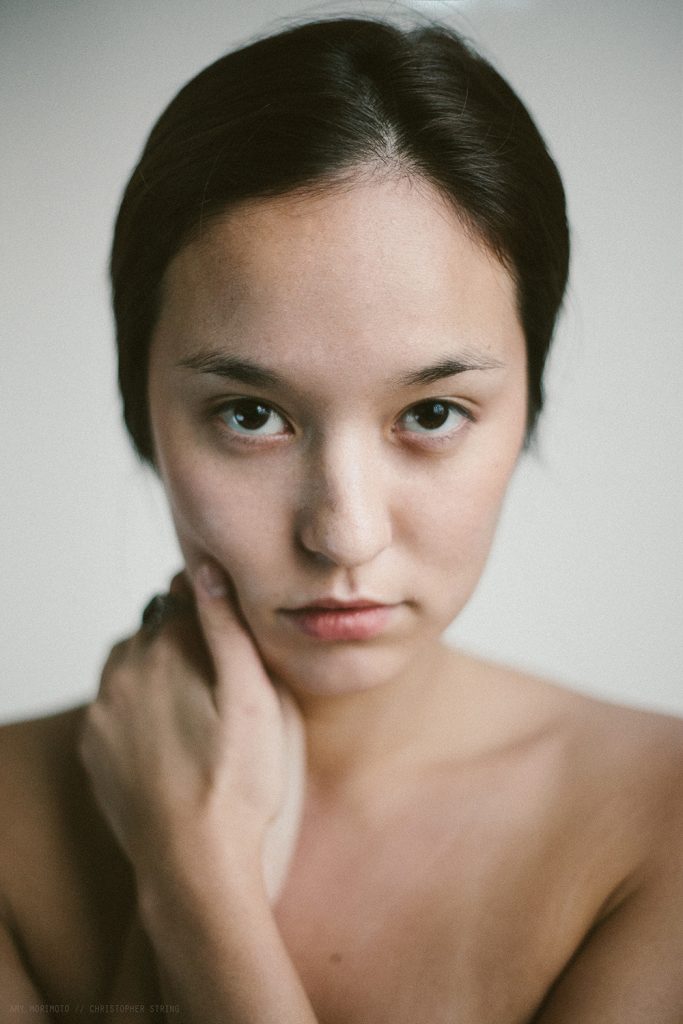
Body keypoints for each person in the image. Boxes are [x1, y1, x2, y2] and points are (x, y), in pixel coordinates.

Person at [1, 15, 681, 1023]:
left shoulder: (655, 828)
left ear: (526, 401)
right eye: (250, 415)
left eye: (431, 414)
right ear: (141, 407)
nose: (343, 534)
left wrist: (196, 889)